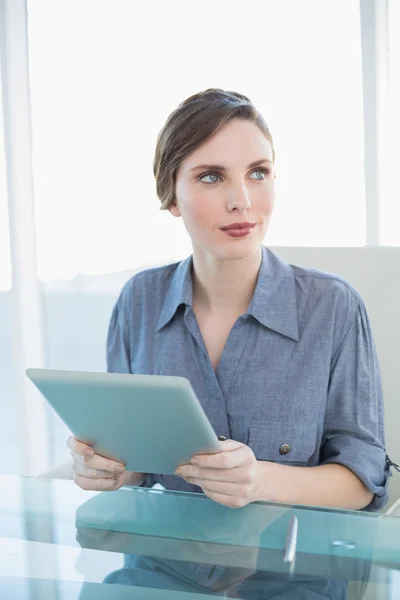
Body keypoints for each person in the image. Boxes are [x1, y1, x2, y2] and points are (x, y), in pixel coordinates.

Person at [68, 88, 391, 513]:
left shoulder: (332, 307)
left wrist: (260, 480)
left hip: (289, 569)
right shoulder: (139, 300)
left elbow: (363, 481)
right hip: (166, 562)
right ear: (171, 196)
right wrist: (104, 468)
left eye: (258, 173)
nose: (242, 200)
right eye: (211, 176)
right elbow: (136, 463)